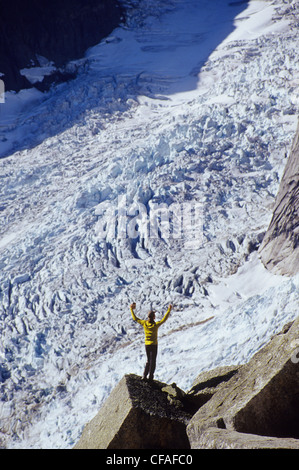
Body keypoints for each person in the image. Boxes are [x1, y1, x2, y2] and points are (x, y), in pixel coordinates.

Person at [130, 302, 172, 381]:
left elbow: (135, 318)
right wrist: (169, 310)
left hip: (147, 345)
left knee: (148, 360)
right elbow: (164, 319)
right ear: (153, 317)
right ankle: (151, 376)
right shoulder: (155, 325)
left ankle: (144, 375)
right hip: (154, 345)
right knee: (153, 361)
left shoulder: (144, 323)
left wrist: (131, 309)